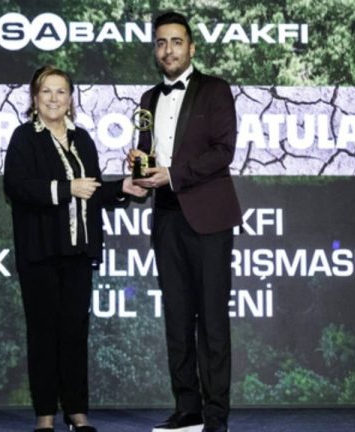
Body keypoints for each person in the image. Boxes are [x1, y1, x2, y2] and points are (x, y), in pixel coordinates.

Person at [4, 65, 146, 432]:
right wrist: (67, 189)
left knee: (74, 332)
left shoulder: (82, 139)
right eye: (46, 91)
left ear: (71, 99)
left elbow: (91, 191)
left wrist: (122, 188)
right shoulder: (24, 138)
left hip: (78, 252)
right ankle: (45, 415)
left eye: (61, 92)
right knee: (43, 333)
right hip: (40, 252)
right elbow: (17, 187)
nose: (54, 98)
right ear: (35, 98)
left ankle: (77, 412)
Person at [128, 11, 241, 432]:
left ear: (191, 48)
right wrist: (139, 165)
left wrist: (173, 175)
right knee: (177, 319)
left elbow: (223, 151)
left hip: (209, 218)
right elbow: (148, 153)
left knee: (211, 320)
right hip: (166, 219)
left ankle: (215, 415)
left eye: (176, 42)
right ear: (155, 50)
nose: (168, 50)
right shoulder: (147, 99)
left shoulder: (215, 90)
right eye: (161, 42)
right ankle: (187, 409)